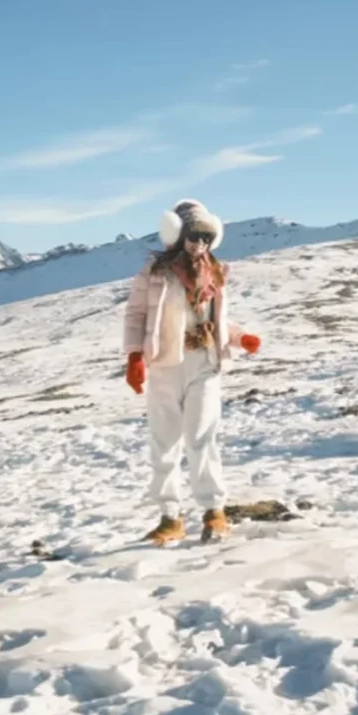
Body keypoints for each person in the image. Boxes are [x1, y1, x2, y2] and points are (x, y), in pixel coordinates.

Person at [123, 199, 261, 545]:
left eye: (206, 236)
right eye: (194, 234)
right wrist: (134, 356)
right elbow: (136, 314)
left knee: (202, 437)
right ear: (177, 234)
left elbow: (217, 319)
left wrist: (239, 337)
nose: (200, 242)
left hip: (204, 363)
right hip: (165, 365)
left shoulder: (216, 272)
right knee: (164, 441)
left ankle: (214, 511)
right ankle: (170, 517)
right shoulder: (155, 272)